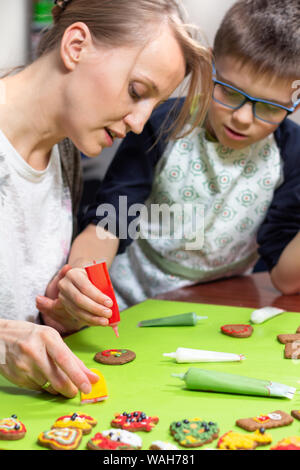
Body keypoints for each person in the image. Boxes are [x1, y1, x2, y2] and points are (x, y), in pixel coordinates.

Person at [38, 0, 300, 325]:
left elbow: (285, 279)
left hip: (222, 309)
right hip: (130, 300)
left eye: (272, 108)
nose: (244, 118)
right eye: (231, 93)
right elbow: (112, 220)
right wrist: (82, 273)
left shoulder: (291, 152)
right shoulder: (160, 123)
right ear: (210, 65)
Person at [0, 0, 212, 397]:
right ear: (76, 45)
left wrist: (62, 312)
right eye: (136, 91)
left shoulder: (65, 152)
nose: (137, 123)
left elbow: (23, 314)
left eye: (152, 105)